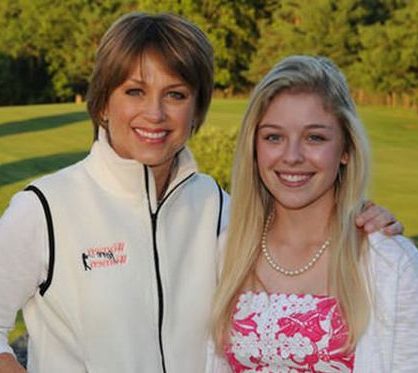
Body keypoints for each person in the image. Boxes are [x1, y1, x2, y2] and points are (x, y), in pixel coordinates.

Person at [0, 13, 402, 373]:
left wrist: (361, 216)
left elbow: (299, 237)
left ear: (197, 111)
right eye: (134, 91)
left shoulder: (218, 208)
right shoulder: (46, 208)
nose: (155, 114)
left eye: (175, 94)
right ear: (103, 102)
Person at [209, 55, 418, 372]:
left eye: (314, 138)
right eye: (274, 137)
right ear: (254, 148)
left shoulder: (389, 262)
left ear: (346, 149)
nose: (292, 156)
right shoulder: (226, 252)